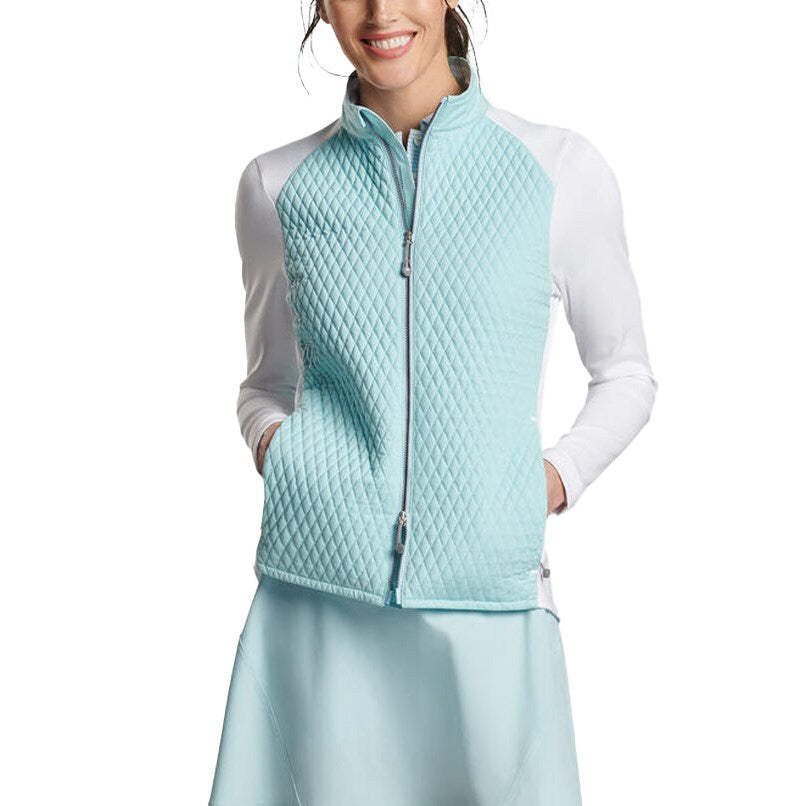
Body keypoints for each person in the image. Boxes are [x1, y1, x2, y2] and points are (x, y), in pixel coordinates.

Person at [208, 1, 657, 804]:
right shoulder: (276, 185)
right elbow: (265, 386)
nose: (382, 12)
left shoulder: (557, 170)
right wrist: (285, 452)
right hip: (315, 608)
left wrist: (543, 484)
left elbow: (626, 374)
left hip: (491, 608)